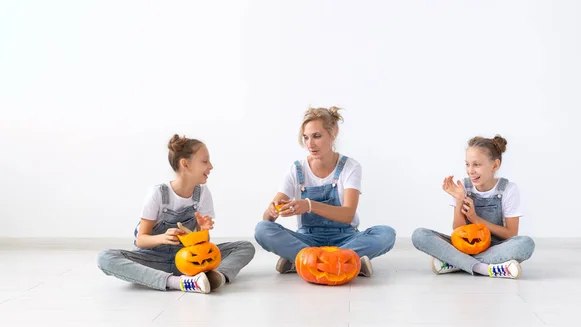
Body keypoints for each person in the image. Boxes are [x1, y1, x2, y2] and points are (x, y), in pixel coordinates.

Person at [97, 134, 255, 293]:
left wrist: (202, 230)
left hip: (188, 259)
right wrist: (162, 238)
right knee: (105, 258)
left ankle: (215, 277)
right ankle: (178, 282)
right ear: (185, 164)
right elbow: (141, 240)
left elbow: (204, 246)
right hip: (154, 259)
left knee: (245, 247)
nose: (211, 166)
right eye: (205, 161)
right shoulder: (158, 193)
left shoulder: (202, 193)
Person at [254, 106, 396, 276]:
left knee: (386, 234)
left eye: (317, 136)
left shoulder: (350, 167)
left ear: (334, 133)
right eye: (306, 138)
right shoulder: (296, 169)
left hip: (346, 238)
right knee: (262, 229)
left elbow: (347, 215)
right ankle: (347, 262)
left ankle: (304, 262)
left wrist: (308, 205)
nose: (310, 144)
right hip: (307, 239)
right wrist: (272, 211)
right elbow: (267, 219)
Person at [411, 135, 535, 279]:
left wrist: (476, 219)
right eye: (467, 164)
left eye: (476, 165)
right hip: (462, 247)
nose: (470, 170)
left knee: (526, 244)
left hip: (494, 248)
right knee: (419, 235)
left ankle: (456, 262)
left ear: (495, 165)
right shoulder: (463, 187)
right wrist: (459, 200)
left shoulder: (508, 189)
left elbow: (511, 234)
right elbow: (457, 230)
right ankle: (483, 268)